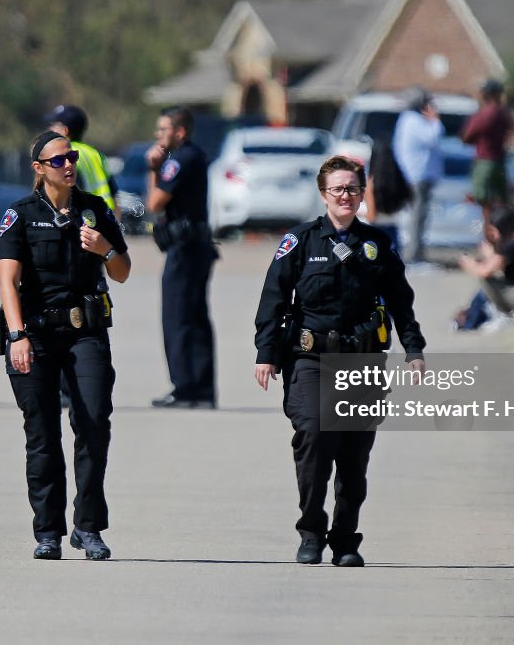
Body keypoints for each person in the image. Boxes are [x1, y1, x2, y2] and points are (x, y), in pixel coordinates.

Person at [254, 155, 426, 567]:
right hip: (310, 359)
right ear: (323, 194)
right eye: (337, 189)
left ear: (362, 192)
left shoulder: (377, 245)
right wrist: (267, 354)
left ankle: (345, 539)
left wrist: (413, 348)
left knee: (353, 455)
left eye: (352, 188)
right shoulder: (300, 242)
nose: (345, 196)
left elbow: (400, 300)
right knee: (314, 436)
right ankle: (311, 530)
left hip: (362, 361)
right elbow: (273, 300)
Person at [0, 130, 131, 561]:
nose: (68, 165)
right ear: (39, 169)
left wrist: (106, 249)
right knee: (43, 436)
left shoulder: (95, 211)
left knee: (93, 424)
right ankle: (48, 532)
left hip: (85, 333)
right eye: (57, 161)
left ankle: (88, 527)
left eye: (70, 157)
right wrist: (16, 336)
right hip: (34, 335)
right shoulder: (21, 215)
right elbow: (7, 281)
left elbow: (123, 272)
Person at [144, 106, 218, 409]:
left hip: (185, 249)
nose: (159, 136)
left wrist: (153, 168)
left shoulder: (180, 160)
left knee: (177, 318)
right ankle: (201, 388)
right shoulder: (195, 156)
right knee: (196, 318)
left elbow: (155, 202)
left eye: (163, 130)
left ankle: (184, 387)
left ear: (180, 131)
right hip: (197, 246)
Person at [393, 87, 445, 264]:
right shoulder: (413, 120)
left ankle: (417, 252)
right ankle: (414, 254)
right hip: (417, 174)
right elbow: (433, 137)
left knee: (420, 216)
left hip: (417, 174)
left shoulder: (408, 120)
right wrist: (435, 119)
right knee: (417, 216)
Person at [461, 79, 514, 230]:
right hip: (500, 160)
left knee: (483, 199)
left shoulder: (485, 114)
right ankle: (505, 229)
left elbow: (467, 136)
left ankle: (489, 231)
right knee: (503, 199)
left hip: (485, 160)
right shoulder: (504, 114)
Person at [46, 104, 118, 212]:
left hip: (84, 218)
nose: (49, 129)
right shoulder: (95, 153)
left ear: (65, 130)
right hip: (104, 217)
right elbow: (114, 192)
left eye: (53, 125)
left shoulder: (64, 155)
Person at [362, 135, 411, 253]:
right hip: (394, 232)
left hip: (375, 233)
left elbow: (371, 216)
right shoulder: (400, 182)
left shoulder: (372, 184)